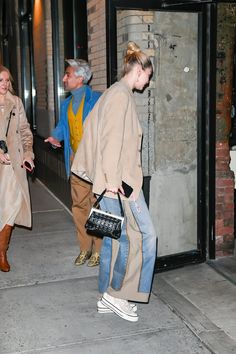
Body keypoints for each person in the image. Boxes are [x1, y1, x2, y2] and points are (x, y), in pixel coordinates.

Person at [71, 42, 157, 322]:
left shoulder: (115, 93)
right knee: (142, 237)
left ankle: (108, 295)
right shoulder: (120, 95)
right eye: (148, 74)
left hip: (115, 182)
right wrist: (109, 181)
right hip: (119, 184)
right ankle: (118, 295)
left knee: (113, 240)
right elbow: (110, 140)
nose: (148, 80)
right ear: (139, 70)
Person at [45, 59, 102, 267]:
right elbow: (62, 125)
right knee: (79, 206)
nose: (64, 78)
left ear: (80, 78)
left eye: (67, 74)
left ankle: (99, 250)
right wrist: (55, 137)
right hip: (75, 162)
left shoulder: (97, 99)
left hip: (96, 164)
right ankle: (84, 248)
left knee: (98, 206)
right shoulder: (66, 103)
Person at [0, 65, 34, 272]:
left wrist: (28, 154)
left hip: (12, 165)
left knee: (11, 207)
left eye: (5, 80)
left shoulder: (16, 102)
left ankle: (2, 251)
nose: (3, 84)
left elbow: (25, 130)